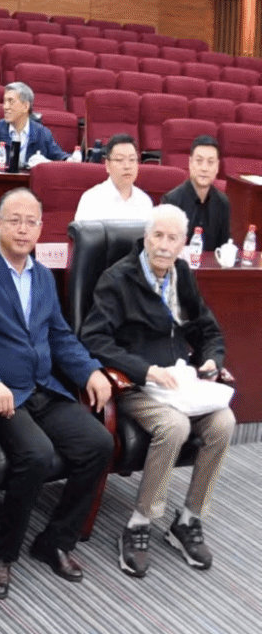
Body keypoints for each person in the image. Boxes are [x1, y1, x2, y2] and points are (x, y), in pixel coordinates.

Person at [0, 188, 112, 599]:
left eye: (31, 222)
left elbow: (60, 336)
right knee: (36, 455)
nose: (23, 229)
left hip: (43, 386)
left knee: (99, 443)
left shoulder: (42, 276)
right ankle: (1, 555)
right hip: (2, 395)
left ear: (40, 229)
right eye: (15, 221)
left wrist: (90, 370)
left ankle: (55, 541)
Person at [80, 204, 234, 577]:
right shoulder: (118, 279)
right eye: (158, 236)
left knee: (224, 422)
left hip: (182, 383)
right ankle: (139, 522)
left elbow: (208, 330)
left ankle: (189, 518)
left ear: (183, 243)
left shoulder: (182, 274)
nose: (164, 245)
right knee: (174, 426)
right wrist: (145, 370)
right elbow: (95, 339)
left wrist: (211, 360)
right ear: (146, 238)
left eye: (172, 238)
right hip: (137, 385)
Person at [0, 83, 70, 170]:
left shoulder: (42, 133)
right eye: (4, 102)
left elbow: (60, 157)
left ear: (25, 106)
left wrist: (71, 159)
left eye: (11, 101)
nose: (5, 107)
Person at [162, 134, 231, 252]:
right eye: (199, 161)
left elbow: (224, 247)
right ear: (190, 163)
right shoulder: (171, 201)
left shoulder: (222, 202)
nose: (204, 168)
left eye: (210, 162)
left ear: (217, 167)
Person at [75, 133, 153, 221]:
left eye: (132, 160)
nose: (127, 166)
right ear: (107, 165)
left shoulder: (145, 201)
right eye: (119, 160)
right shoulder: (91, 199)